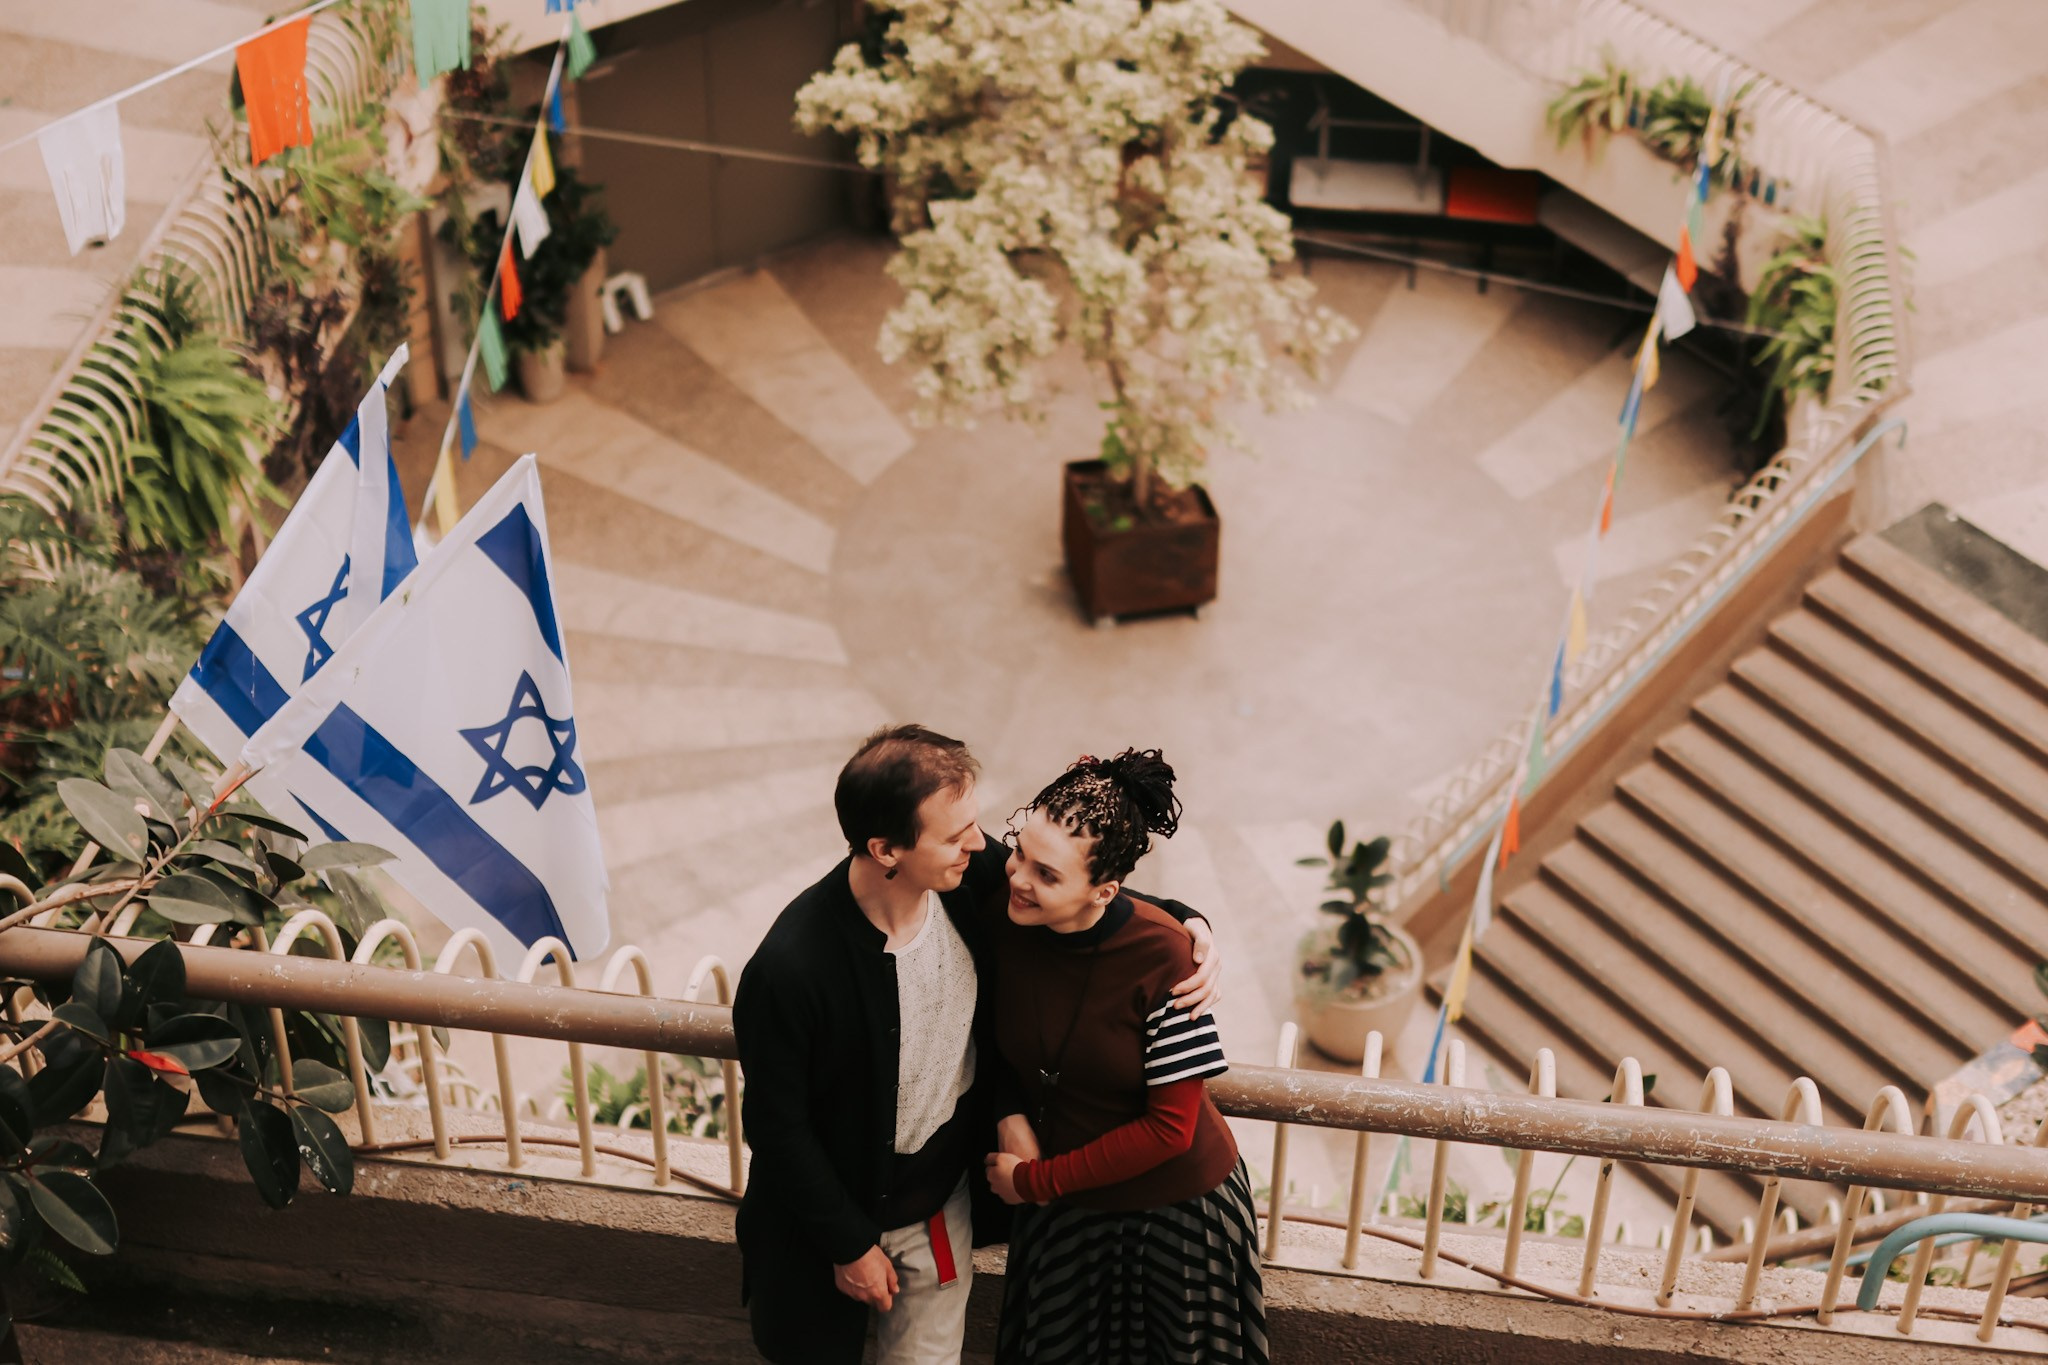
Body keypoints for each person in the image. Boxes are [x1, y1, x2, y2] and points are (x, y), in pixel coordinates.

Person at [732, 725, 1221, 1364]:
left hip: (940, 1204)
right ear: (886, 849)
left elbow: (1084, 889)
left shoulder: (967, 883)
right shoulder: (790, 968)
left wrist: (1188, 922)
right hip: (823, 1226)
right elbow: (776, 1126)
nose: (980, 844)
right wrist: (847, 1245)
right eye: (954, 833)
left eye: (976, 825)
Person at [984, 750, 1266, 1365]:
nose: (1018, 877)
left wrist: (1034, 1182)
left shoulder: (1164, 958)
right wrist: (1011, 1115)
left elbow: (1170, 1129)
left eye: (1047, 874)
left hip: (1177, 1220)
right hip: (1064, 1212)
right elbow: (989, 1041)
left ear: (1105, 891)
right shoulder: (1007, 906)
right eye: (1018, 850)